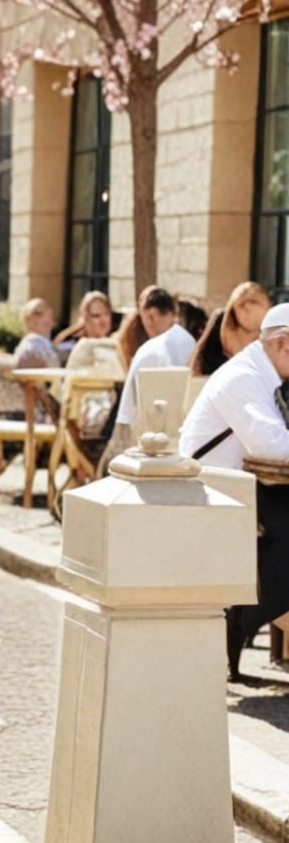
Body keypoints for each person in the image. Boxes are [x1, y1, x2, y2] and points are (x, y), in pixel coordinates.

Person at [180, 303, 289, 681]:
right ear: (283, 344)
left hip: (237, 489)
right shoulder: (244, 378)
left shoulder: (259, 373)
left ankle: (253, 614)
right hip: (211, 493)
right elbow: (273, 446)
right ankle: (246, 613)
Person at [113, 288, 196, 433]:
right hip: (189, 428)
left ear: (151, 316)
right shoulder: (192, 343)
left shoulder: (147, 351)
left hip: (151, 433)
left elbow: (127, 412)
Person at [190, 282, 271, 376]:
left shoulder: (272, 330)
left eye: (254, 303)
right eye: (243, 305)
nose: (248, 309)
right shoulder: (221, 326)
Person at [13, 298, 61, 368]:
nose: (47, 318)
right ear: (28, 320)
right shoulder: (37, 343)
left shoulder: (26, 343)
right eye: (38, 314)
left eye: (50, 316)